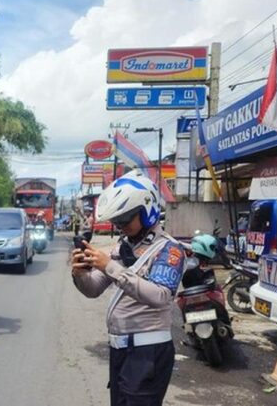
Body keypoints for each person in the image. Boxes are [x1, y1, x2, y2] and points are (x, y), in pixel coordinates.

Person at [70, 173, 185, 406]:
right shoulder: (123, 247)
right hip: (120, 351)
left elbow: (161, 296)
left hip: (147, 353)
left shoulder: (169, 250)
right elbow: (93, 289)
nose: (121, 226)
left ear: (147, 210)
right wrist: (80, 273)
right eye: (117, 222)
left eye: (126, 219)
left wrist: (109, 266)